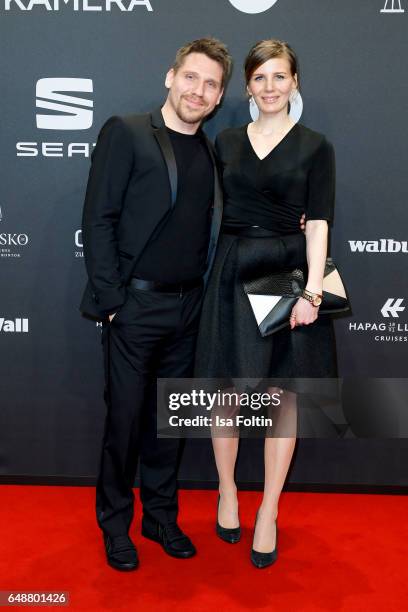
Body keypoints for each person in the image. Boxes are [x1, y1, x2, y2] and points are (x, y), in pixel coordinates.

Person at [80, 38, 232, 571]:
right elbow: (96, 219)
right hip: (134, 309)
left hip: (190, 311)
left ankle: (161, 517)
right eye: (191, 77)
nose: (199, 90)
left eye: (211, 84)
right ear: (171, 77)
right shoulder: (126, 132)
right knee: (124, 422)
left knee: (170, 422)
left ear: (218, 98)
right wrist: (114, 302)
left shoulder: (213, 151)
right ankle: (115, 524)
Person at [195, 39, 337, 568]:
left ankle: (269, 510)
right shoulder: (224, 141)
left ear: (295, 82)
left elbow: (319, 221)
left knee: (281, 397)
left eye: (280, 77)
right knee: (225, 390)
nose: (270, 87)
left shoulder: (316, 146)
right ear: (247, 86)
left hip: (285, 271)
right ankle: (228, 490)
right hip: (232, 269)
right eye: (260, 78)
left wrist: (312, 291)